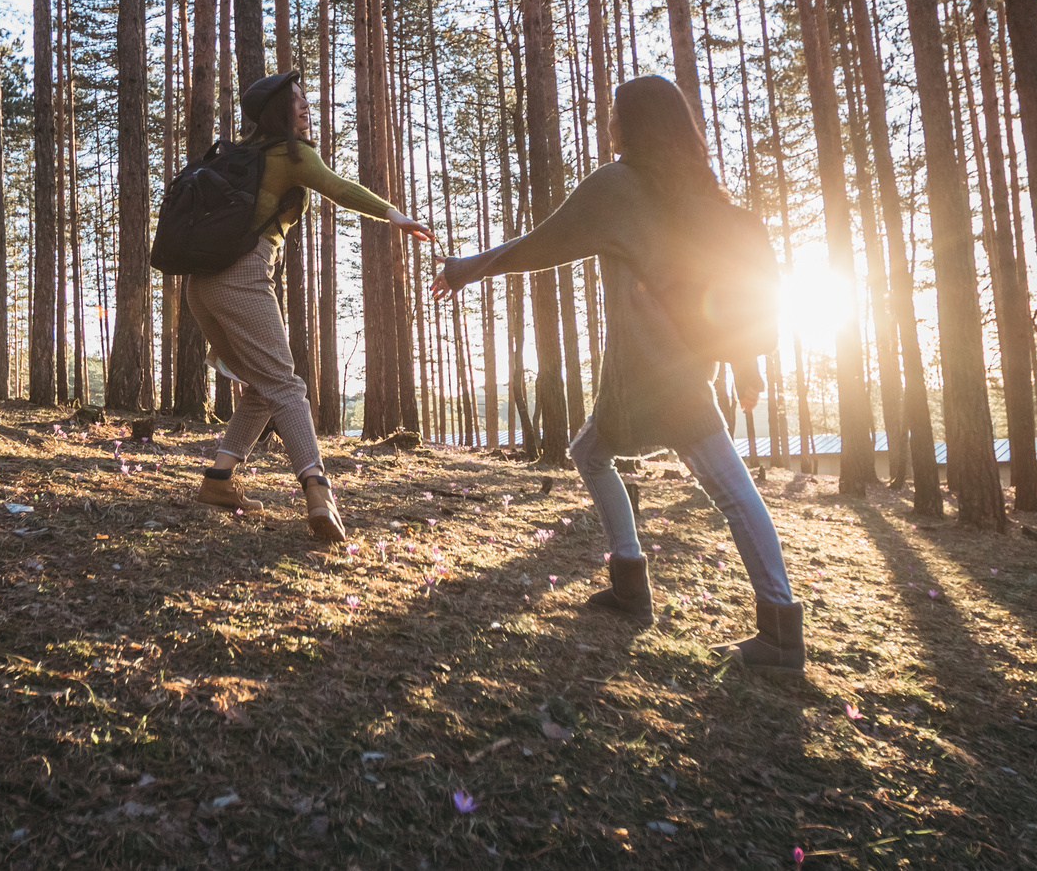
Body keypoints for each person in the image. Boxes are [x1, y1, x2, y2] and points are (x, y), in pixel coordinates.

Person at [430, 75, 801, 673]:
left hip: (656, 378)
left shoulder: (621, 185)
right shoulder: (695, 192)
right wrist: (746, 364)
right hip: (672, 370)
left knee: (731, 488)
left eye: (613, 116)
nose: (608, 125)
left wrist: (467, 268)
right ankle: (630, 583)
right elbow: (724, 291)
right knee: (588, 451)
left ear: (628, 124)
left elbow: (539, 244)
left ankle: (782, 632)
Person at [188, 71, 433, 541]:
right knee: (286, 385)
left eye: (305, 98)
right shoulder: (291, 153)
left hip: (200, 287)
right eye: (296, 100)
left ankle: (218, 481)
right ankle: (318, 492)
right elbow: (338, 187)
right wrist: (395, 215)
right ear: (278, 113)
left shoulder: (242, 157)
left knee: (262, 388)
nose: (305, 105)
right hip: (241, 276)